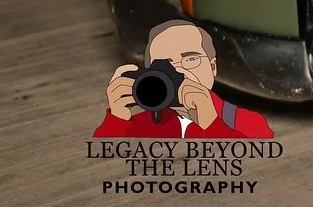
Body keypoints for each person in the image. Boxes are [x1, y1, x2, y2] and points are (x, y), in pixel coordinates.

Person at [94, 19, 275, 137]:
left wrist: (210, 120)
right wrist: (117, 118)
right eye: (164, 65)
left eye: (190, 59)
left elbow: (258, 143)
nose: (179, 73)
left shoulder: (238, 118)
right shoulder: (142, 119)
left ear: (212, 68)